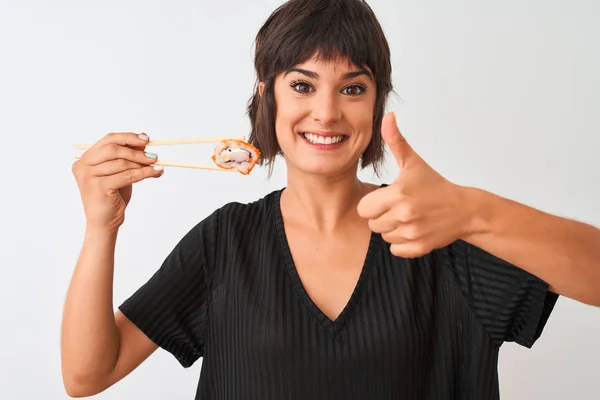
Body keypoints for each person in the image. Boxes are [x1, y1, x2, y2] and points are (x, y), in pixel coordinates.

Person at [61, 0, 600, 399]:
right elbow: (87, 374)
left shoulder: (437, 230)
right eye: (302, 85)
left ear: (377, 102)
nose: (325, 112)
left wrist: (473, 211)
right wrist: (100, 227)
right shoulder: (224, 241)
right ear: (266, 94)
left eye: (352, 88)